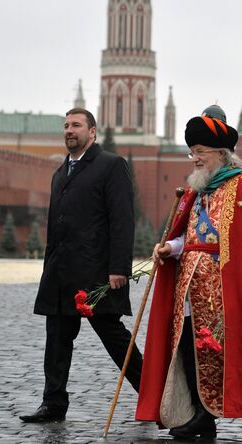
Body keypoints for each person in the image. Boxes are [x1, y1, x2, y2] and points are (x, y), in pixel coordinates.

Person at [135, 106, 242, 439]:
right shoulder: (197, 190)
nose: (195, 159)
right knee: (187, 344)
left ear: (221, 153)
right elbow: (192, 235)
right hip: (189, 285)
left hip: (232, 286)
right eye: (192, 152)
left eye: (200, 152)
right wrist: (173, 246)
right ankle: (201, 414)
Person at [20, 108, 142, 423]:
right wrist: (48, 269)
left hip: (96, 274)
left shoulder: (111, 166)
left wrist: (119, 269)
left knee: (114, 338)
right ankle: (53, 403)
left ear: (92, 132)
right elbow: (55, 226)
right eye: (66, 126)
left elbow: (122, 220)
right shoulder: (60, 173)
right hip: (60, 275)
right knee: (57, 341)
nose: (69, 130)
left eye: (76, 125)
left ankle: (155, 397)